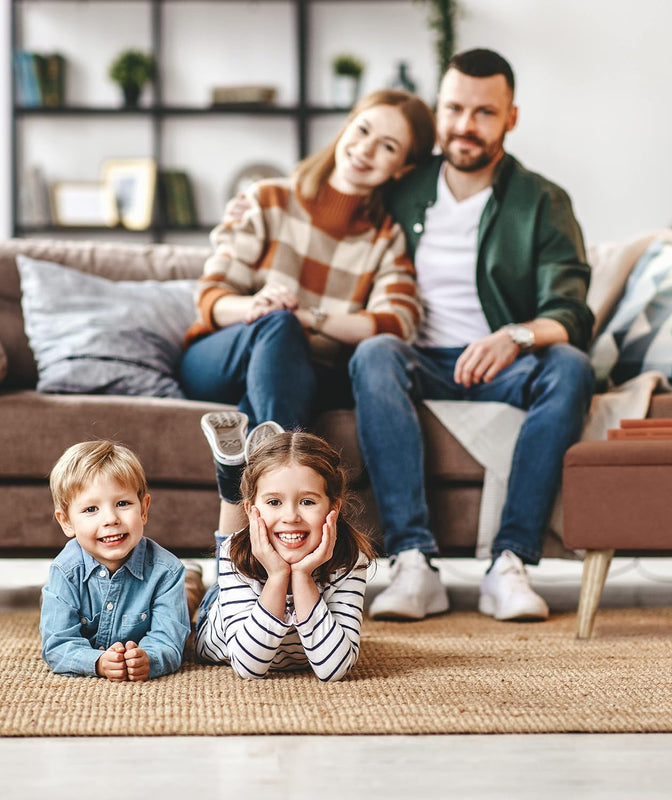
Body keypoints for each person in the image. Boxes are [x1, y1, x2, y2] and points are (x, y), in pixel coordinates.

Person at [348, 49, 596, 622]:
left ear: (511, 118)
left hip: (502, 364)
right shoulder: (402, 188)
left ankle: (510, 563)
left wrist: (515, 336)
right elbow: (329, 198)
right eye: (454, 108)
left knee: (570, 367)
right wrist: (260, 199)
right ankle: (413, 563)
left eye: (484, 112)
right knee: (373, 352)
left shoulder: (543, 201)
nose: (464, 125)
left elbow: (572, 312)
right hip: (417, 356)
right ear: (437, 109)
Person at [179, 89, 435, 541]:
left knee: (255, 415)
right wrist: (256, 308)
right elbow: (212, 298)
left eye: (388, 147)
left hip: (297, 374)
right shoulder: (269, 198)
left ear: (404, 168)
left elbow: (397, 321)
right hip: (223, 353)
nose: (366, 149)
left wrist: (311, 319)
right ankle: (289, 495)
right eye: (363, 130)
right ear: (346, 126)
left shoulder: (385, 238)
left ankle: (235, 560)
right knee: (277, 326)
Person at [194, 429, 377, 682]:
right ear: (251, 509)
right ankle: (229, 476)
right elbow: (248, 668)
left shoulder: (350, 559)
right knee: (191, 588)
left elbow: (333, 669)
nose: (291, 516)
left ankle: (248, 471)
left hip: (264, 559)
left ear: (334, 507)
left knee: (257, 536)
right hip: (220, 605)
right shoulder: (233, 555)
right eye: (274, 502)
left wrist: (301, 576)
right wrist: (278, 575)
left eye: (307, 502)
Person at [40, 440, 191, 681]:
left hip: (169, 580)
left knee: (188, 603)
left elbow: (169, 641)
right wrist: (97, 662)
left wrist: (148, 658)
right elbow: (56, 644)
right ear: (66, 522)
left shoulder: (167, 571)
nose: (111, 518)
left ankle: (192, 582)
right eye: (91, 509)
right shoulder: (65, 570)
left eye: (123, 504)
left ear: (143, 509)